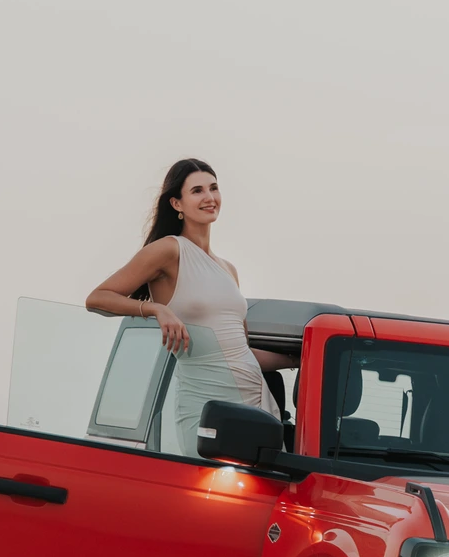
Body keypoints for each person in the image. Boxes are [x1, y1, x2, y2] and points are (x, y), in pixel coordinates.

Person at [85, 159, 294, 452]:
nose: (209, 197)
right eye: (197, 191)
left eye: (214, 188)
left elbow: (238, 351)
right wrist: (157, 309)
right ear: (176, 203)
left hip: (255, 407)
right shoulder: (169, 250)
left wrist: (298, 359)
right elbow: (97, 298)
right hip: (207, 410)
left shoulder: (228, 269)